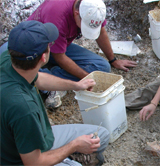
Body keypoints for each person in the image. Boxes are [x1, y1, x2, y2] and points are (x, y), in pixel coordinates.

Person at [0, 20, 110, 165]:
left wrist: (76, 85)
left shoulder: (9, 60)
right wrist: (74, 146)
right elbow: (33, 163)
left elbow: (38, 78)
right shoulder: (24, 109)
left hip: (35, 139)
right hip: (22, 159)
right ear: (43, 57)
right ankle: (66, 158)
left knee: (101, 135)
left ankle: (63, 157)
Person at [25, 0, 137, 108]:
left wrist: (113, 60)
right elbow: (59, 57)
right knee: (25, 73)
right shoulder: (57, 16)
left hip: (60, 45)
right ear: (76, 13)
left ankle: (52, 75)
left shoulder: (93, 9)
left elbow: (101, 32)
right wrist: (87, 79)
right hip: (33, 47)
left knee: (103, 67)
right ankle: (47, 83)